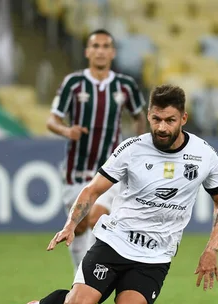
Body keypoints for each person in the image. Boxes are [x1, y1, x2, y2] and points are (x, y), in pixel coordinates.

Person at [0, 84, 218, 304]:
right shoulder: (132, 149)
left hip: (155, 257)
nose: (162, 127)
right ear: (148, 115)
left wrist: (212, 248)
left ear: (184, 118)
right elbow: (93, 189)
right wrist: (71, 224)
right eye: (156, 119)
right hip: (114, 243)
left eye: (169, 120)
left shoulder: (204, 155)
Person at [46, 29, 147, 275]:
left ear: (112, 52)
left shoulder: (125, 85)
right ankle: (81, 271)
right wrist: (67, 131)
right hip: (75, 168)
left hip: (109, 167)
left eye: (105, 46)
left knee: (95, 218)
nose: (100, 51)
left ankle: (90, 276)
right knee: (78, 227)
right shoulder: (73, 83)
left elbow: (139, 117)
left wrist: (139, 145)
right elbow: (52, 121)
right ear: (87, 51)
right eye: (96, 46)